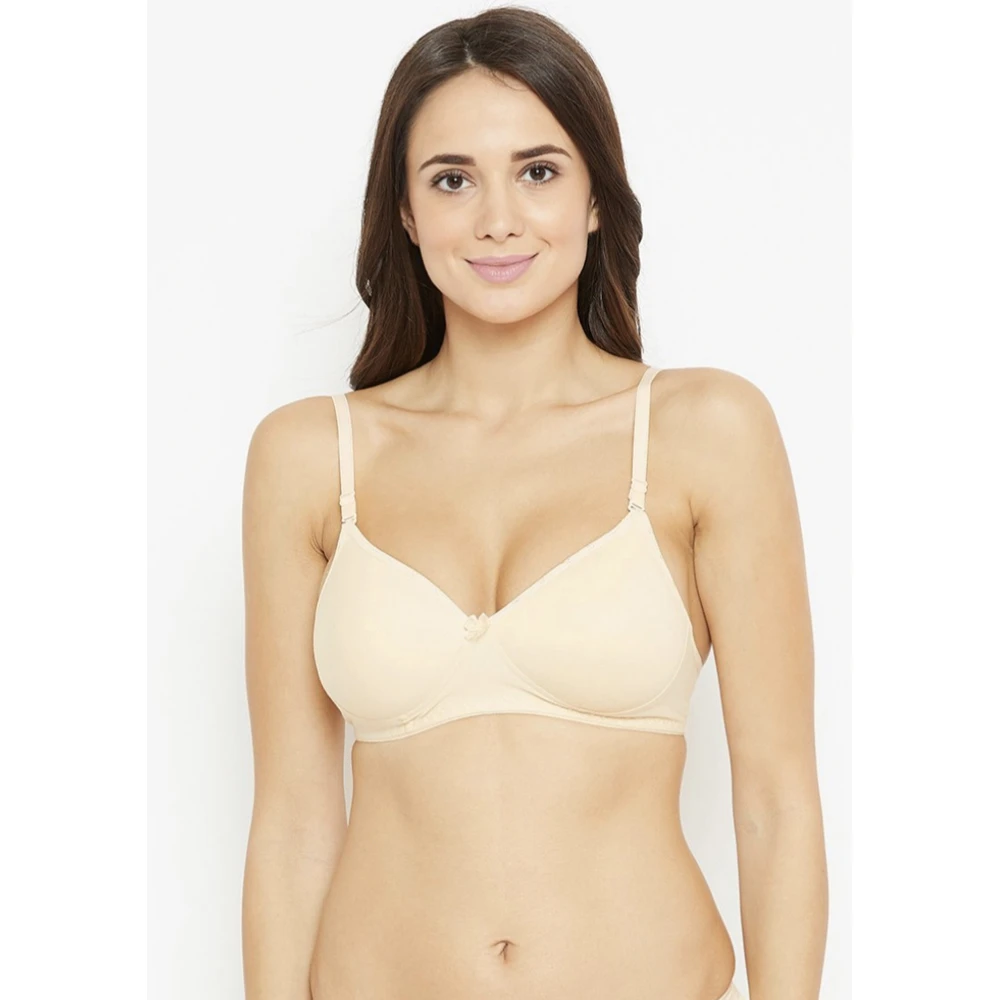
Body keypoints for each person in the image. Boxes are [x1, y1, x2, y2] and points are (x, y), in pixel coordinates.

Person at [240, 7, 828, 1000]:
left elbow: (776, 801)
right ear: (405, 213)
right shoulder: (307, 457)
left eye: (539, 171)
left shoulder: (704, 431)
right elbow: (293, 824)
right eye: (452, 179)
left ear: (596, 197)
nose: (498, 219)